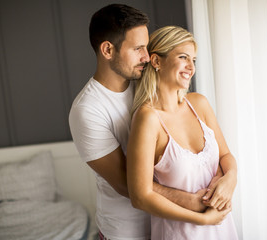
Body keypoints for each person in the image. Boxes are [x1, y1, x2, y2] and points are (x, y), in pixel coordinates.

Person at [69, 4, 236, 239]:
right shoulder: (88, 110)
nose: (146, 57)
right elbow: (129, 186)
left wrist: (225, 178)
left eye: (146, 48)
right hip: (128, 230)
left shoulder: (144, 80)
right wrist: (195, 204)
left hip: (177, 225)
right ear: (107, 50)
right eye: (138, 48)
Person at [127, 26, 238, 239]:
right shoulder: (147, 119)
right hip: (180, 233)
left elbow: (225, 156)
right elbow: (140, 196)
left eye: (193, 60)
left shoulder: (199, 104)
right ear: (157, 61)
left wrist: (230, 178)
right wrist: (203, 219)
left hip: (223, 229)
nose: (190, 67)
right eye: (183, 57)